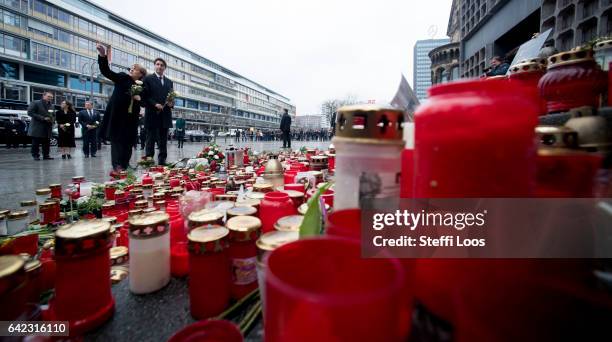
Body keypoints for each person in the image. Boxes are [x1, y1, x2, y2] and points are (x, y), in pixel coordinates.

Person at [96, 43, 147, 171]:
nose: (132, 69)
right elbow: (106, 72)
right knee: (117, 141)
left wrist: (139, 99)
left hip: (131, 118)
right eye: (132, 68)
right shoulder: (123, 77)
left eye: (135, 68)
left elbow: (145, 102)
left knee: (129, 141)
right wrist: (103, 56)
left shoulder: (142, 86)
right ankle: (117, 165)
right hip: (118, 115)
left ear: (141, 74)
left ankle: (125, 163)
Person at [143, 57, 173, 165]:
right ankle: (149, 161)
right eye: (157, 64)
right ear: (155, 65)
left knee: (163, 140)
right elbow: (145, 96)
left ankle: (162, 161)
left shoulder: (169, 82)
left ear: (165, 68)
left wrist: (171, 103)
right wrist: (155, 104)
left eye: (162, 65)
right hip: (152, 114)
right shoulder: (148, 79)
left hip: (165, 115)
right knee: (150, 139)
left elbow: (171, 97)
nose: (159, 66)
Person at [27, 91, 55, 160]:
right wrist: (43, 118)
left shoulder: (52, 105)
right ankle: (35, 155)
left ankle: (46, 155)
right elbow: (30, 112)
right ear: (44, 96)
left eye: (51, 97)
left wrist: (52, 120)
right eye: (49, 96)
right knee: (35, 143)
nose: (50, 98)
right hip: (37, 127)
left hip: (47, 127)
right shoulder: (36, 102)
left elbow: (54, 115)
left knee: (46, 143)